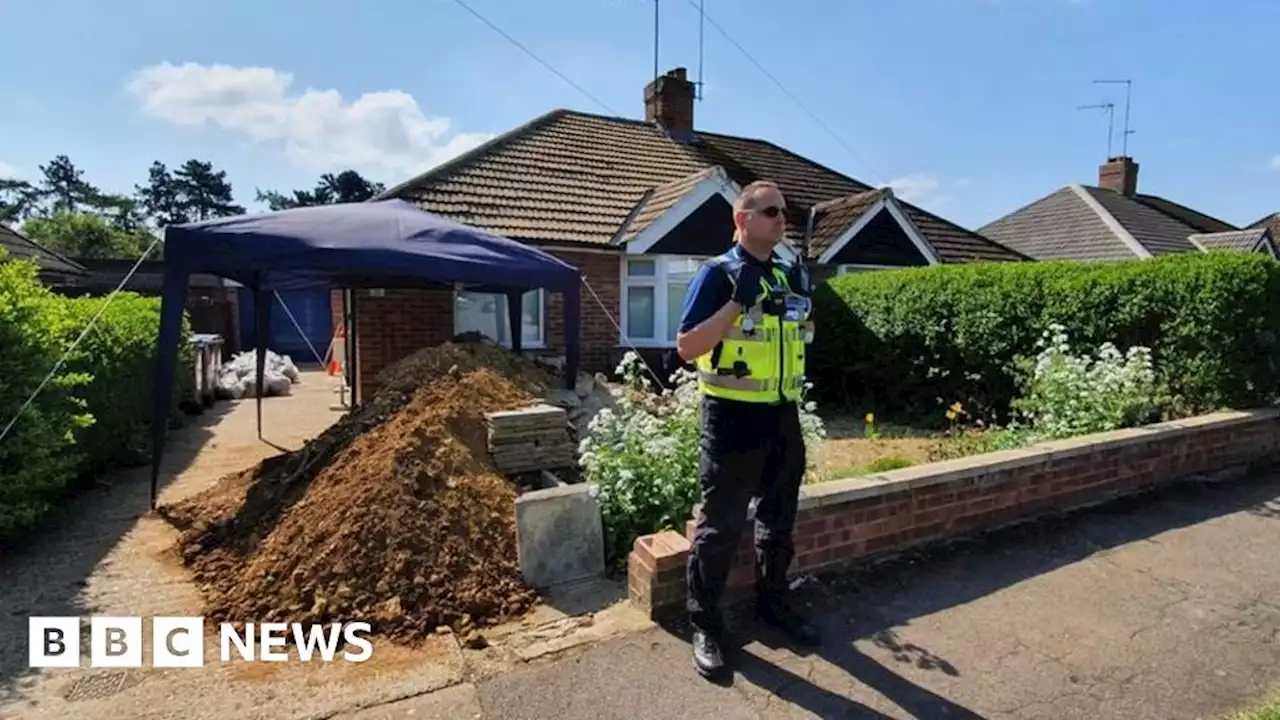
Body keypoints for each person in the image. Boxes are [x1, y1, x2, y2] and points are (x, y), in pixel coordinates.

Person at [675, 179, 819, 680]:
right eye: (772, 211)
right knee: (720, 528)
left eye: (786, 211)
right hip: (732, 418)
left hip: (782, 414)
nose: (783, 219)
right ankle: (706, 624)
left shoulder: (788, 272)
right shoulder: (718, 274)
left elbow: (802, 334)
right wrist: (736, 302)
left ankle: (772, 602)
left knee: (779, 519)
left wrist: (803, 299)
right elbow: (688, 347)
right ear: (743, 220)